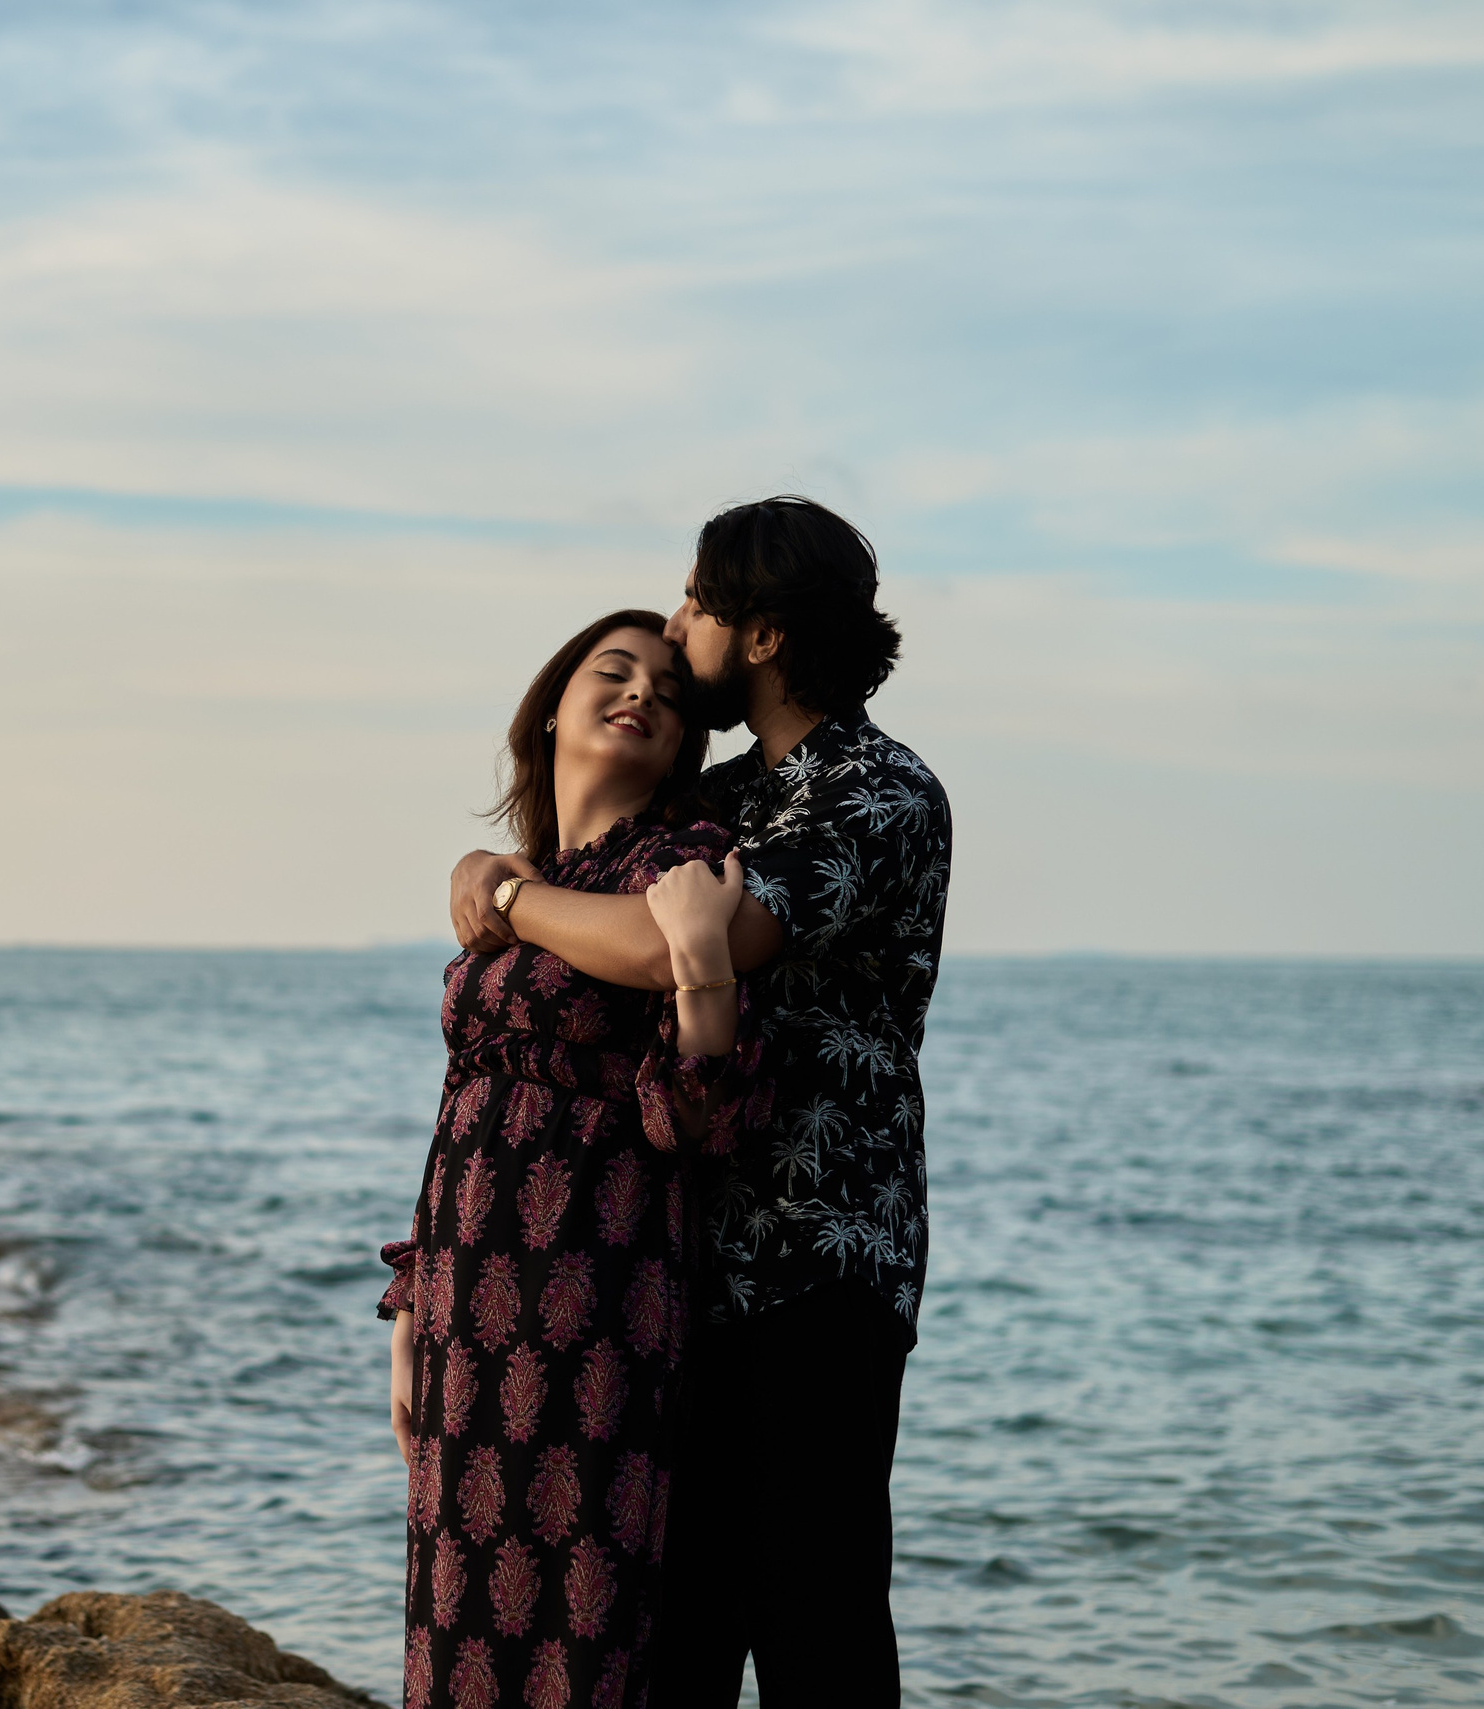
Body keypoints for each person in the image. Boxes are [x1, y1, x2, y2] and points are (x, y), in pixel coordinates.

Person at [447, 497, 952, 1707]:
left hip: (818, 1262)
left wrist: (503, 900)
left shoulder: (878, 791)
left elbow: (660, 937)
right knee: (675, 1629)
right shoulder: (726, 790)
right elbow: (613, 873)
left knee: (814, 1614)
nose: (677, 627)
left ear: (764, 632)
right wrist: (492, 860)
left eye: (693, 601)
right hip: (673, 1262)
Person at [381, 610, 752, 1709]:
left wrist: (702, 985)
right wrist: (410, 1300)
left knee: (584, 1613)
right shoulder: (523, 875)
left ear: (684, 743)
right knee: (458, 1610)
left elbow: (704, 1113)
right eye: (613, 669)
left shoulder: (678, 863)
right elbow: (461, 1101)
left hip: (599, 1281)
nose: (641, 692)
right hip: (468, 1292)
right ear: (552, 705)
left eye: (669, 692)